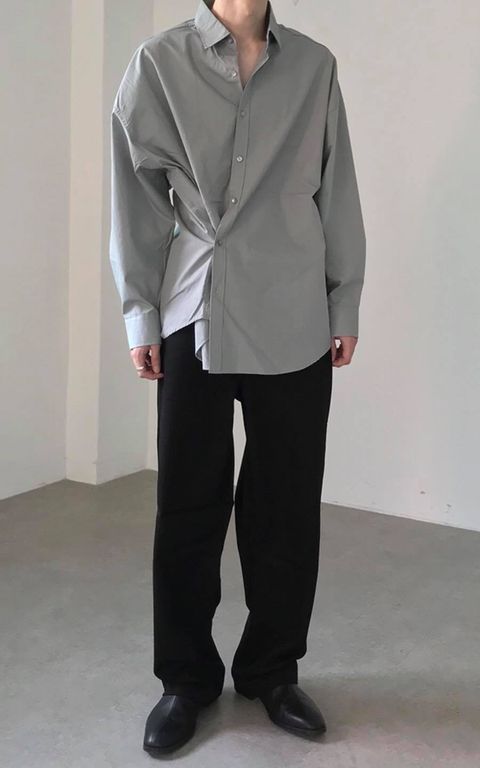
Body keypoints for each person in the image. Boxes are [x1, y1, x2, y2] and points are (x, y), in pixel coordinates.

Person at [109, 0, 366, 755]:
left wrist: (343, 301)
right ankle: (185, 680)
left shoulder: (314, 66)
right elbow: (134, 197)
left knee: (286, 503)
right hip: (195, 309)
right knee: (188, 503)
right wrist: (140, 314)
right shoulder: (158, 64)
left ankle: (272, 671)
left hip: (294, 311)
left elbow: (336, 187)